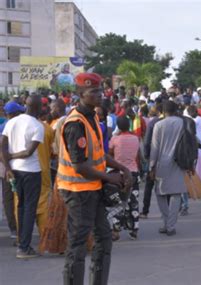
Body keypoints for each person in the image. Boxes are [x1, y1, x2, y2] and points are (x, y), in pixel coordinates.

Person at [58, 73, 132, 284]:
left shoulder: (91, 117)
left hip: (92, 188)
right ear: (80, 94)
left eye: (100, 90)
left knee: (104, 239)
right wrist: (110, 178)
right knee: (78, 246)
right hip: (77, 191)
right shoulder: (75, 123)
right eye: (93, 92)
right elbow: (80, 166)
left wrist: (121, 167)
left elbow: (99, 153)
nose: (99, 95)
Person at [2, 96, 44, 259]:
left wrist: (8, 166)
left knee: (20, 207)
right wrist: (11, 157)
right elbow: (28, 152)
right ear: (38, 107)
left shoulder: (11, 122)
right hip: (31, 172)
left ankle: (21, 244)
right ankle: (24, 248)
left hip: (15, 171)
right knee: (29, 209)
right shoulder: (37, 126)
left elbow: (2, 146)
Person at [149, 100, 187, 236]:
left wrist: (151, 166)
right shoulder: (182, 123)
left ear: (163, 112)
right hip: (179, 162)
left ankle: (166, 223)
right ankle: (171, 225)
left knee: (160, 193)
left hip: (162, 163)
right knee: (176, 194)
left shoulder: (158, 125)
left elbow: (154, 148)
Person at [109, 116, 141, 241]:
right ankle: (134, 229)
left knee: (117, 202)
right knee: (133, 201)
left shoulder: (115, 139)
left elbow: (110, 154)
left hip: (119, 174)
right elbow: (137, 155)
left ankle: (116, 230)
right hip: (133, 173)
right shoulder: (135, 139)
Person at [0, 101, 25, 241]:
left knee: (9, 199)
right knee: (17, 198)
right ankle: (18, 229)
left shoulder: (4, 126)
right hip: (16, 167)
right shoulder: (19, 126)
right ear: (14, 113)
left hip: (7, 168)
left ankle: (14, 229)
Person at [140, 105, 162, 218]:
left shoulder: (153, 123)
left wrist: (146, 155)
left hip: (153, 157)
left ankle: (145, 211)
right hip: (166, 158)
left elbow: (147, 142)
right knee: (165, 186)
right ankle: (166, 212)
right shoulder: (168, 122)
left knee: (149, 184)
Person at [36, 109, 55, 239]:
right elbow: (53, 151)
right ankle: (44, 237)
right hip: (43, 169)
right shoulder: (46, 128)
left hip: (19, 171)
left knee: (21, 203)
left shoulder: (14, 124)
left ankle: (22, 240)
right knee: (42, 203)